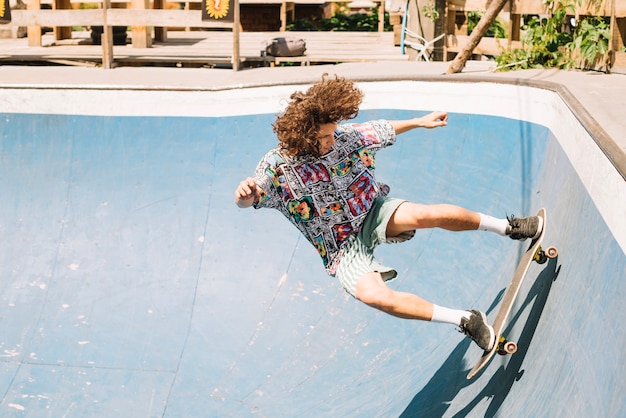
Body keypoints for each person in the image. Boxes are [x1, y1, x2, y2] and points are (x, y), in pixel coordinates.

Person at [234, 75, 542, 351]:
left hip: (373, 210)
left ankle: (508, 227)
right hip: (341, 247)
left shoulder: (344, 137)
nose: (331, 141)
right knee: (375, 297)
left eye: (332, 133)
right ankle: (465, 319)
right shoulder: (277, 165)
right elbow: (252, 197)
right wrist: (244, 195)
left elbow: (382, 129)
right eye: (323, 138)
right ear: (303, 136)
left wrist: (421, 121)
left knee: (423, 214)